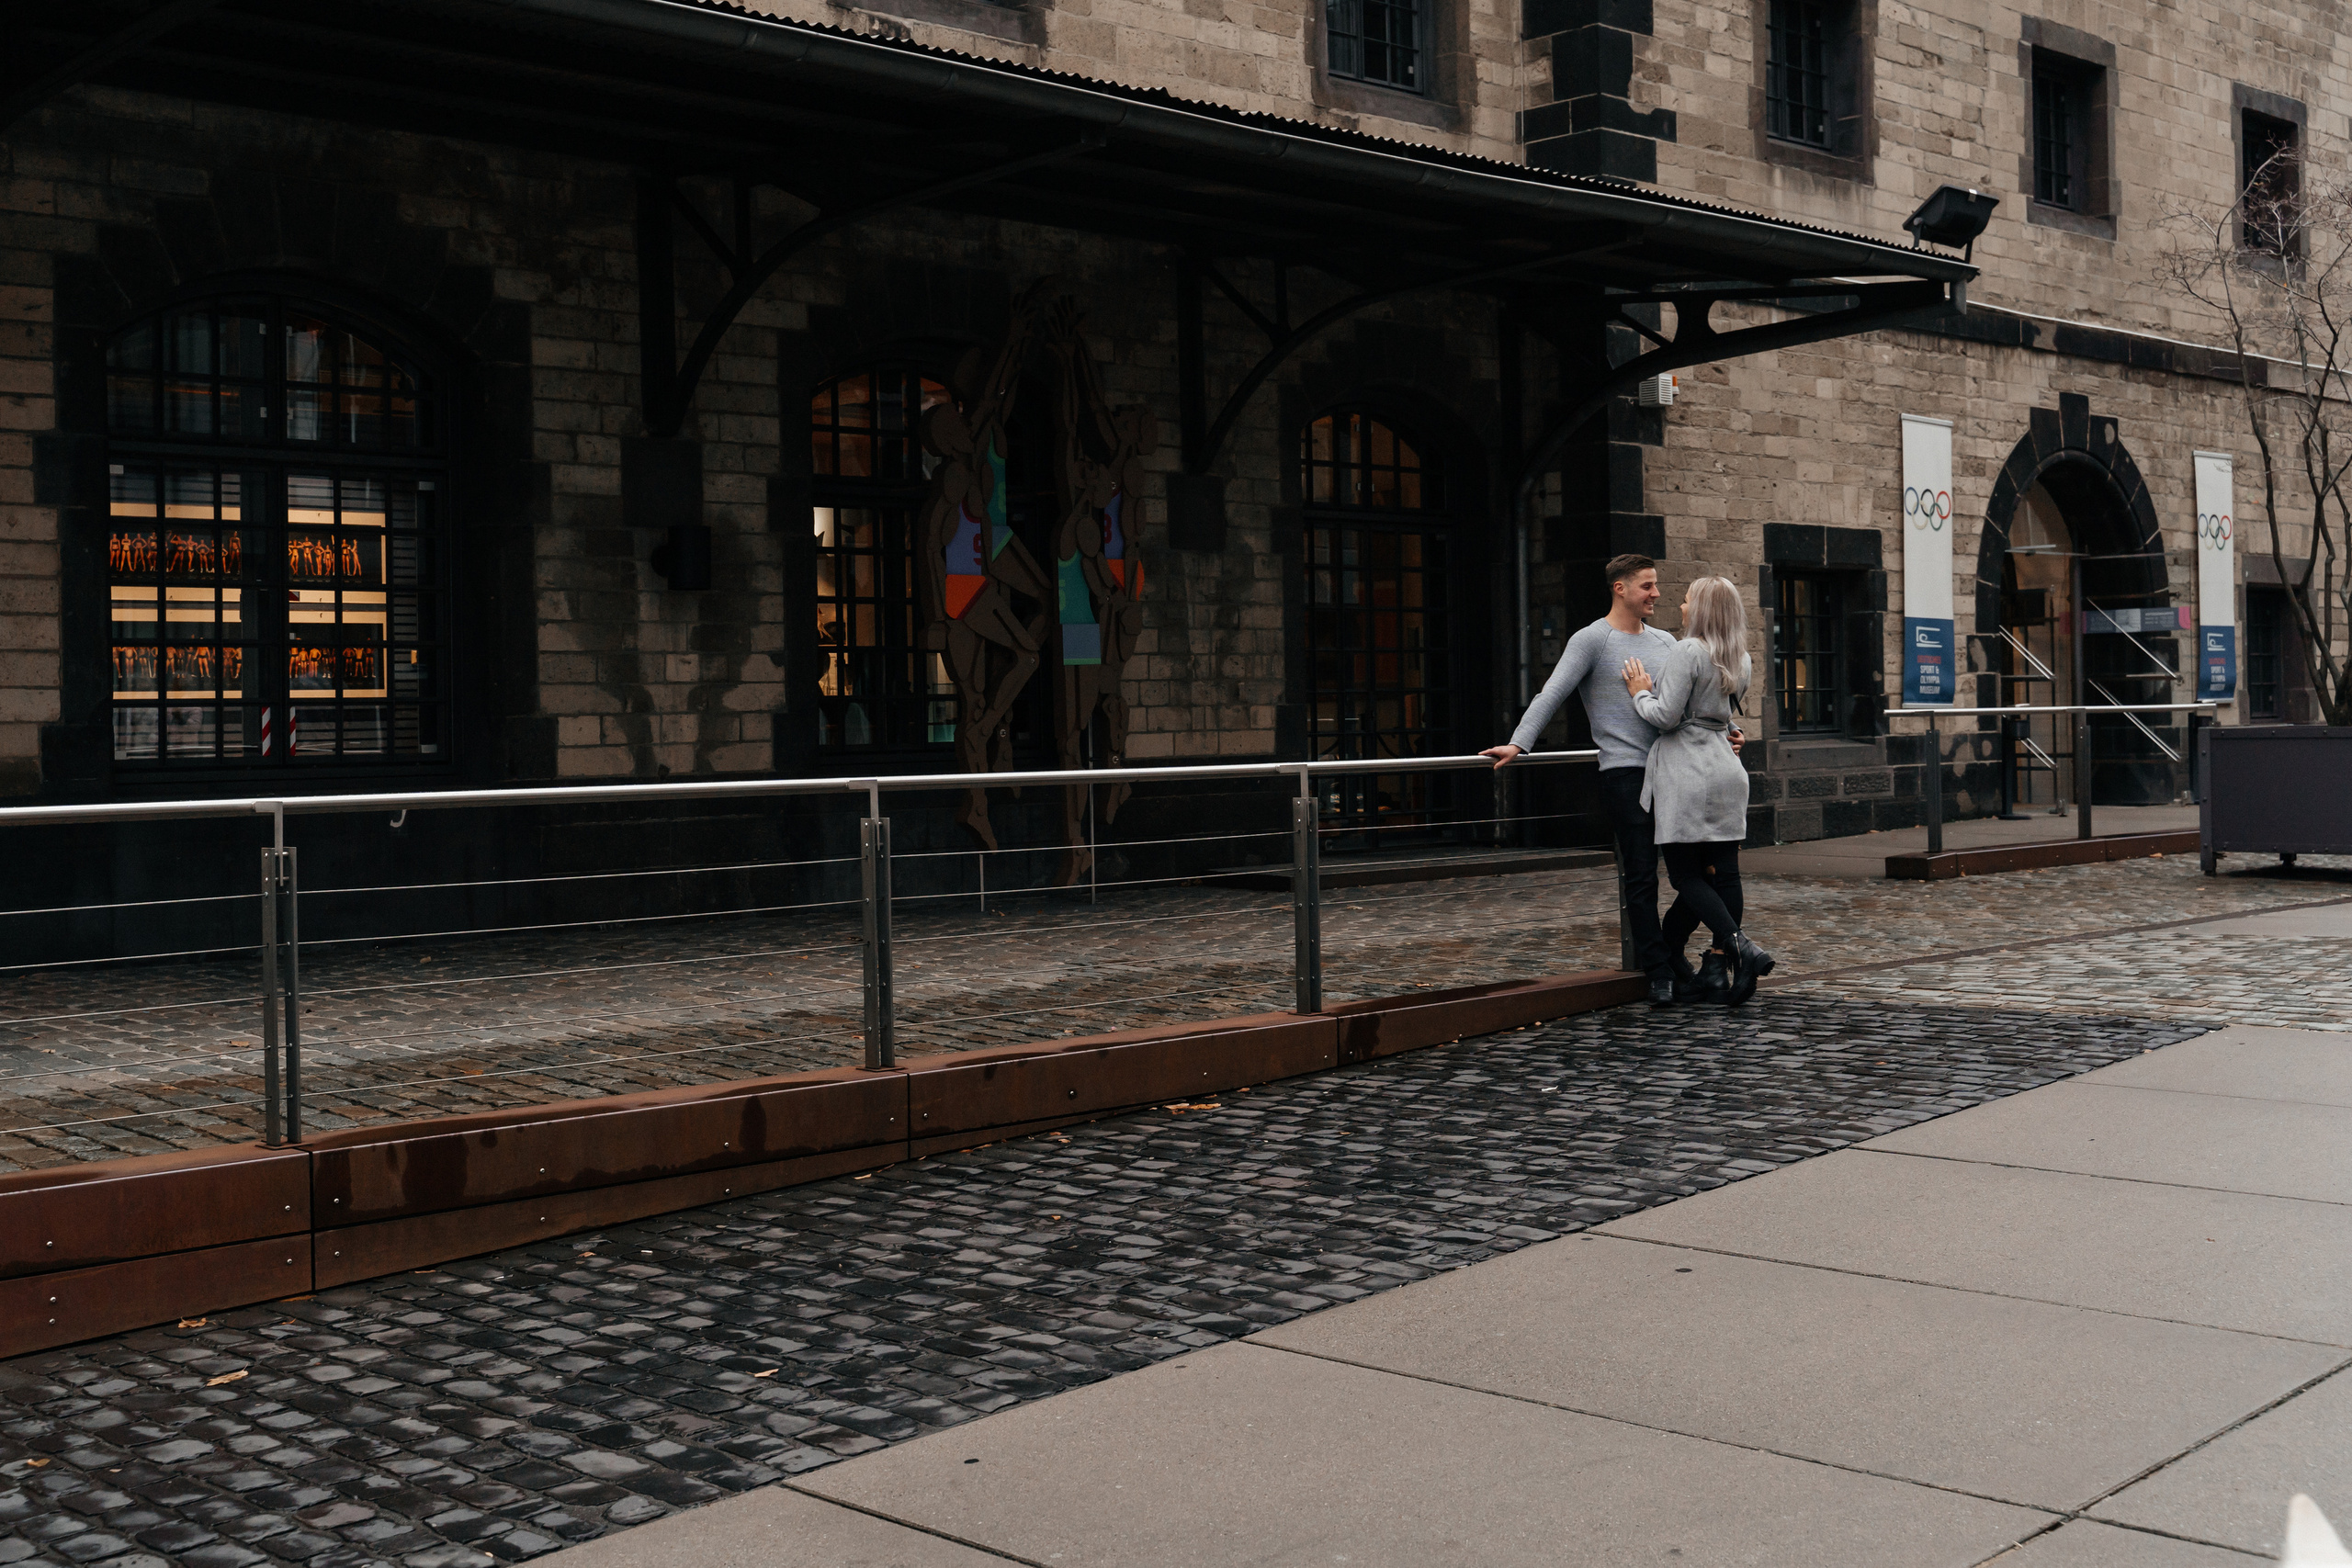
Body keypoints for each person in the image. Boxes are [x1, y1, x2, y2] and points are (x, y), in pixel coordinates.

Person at [1481, 554, 1740, 1007]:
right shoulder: (1592, 640)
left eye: (1656, 586)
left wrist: (1727, 733)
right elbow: (1552, 692)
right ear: (1620, 588)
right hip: (1625, 773)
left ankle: (1671, 951)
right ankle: (1660, 972)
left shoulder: (1667, 641)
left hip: (1678, 774)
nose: (1656, 594)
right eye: (1647, 586)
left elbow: (1695, 700)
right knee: (1641, 877)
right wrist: (1518, 743)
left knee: (1696, 875)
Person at [1621, 576, 1773, 1004]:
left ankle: (1739, 944)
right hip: (1726, 768)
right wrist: (1734, 730)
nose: (1682, 607)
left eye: (1686, 601)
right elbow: (1724, 717)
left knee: (1686, 874)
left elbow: (1666, 716)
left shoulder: (1688, 650)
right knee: (1724, 872)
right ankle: (1721, 966)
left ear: (1701, 610)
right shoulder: (1740, 657)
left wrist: (1640, 692)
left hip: (1687, 770)